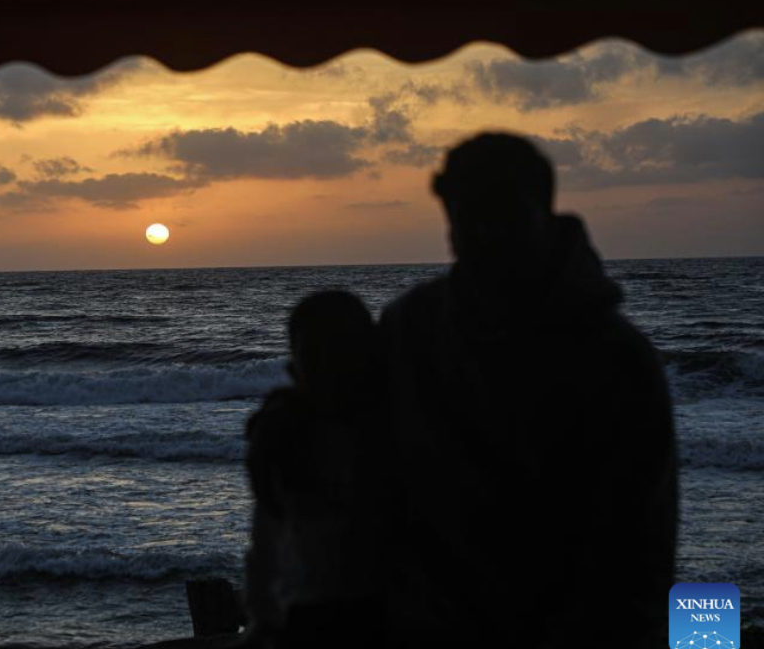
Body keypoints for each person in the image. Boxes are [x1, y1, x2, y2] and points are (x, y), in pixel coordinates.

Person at [381, 133, 676, 647]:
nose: (484, 232)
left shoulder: (613, 356)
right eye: (469, 214)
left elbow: (637, 548)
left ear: (541, 209)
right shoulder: (411, 326)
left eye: (502, 213)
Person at [242, 290, 390, 647]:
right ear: (295, 368)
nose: (329, 367)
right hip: (310, 614)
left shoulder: (398, 430)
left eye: (341, 352)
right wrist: (263, 620)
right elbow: (266, 542)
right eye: (314, 355)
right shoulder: (284, 439)